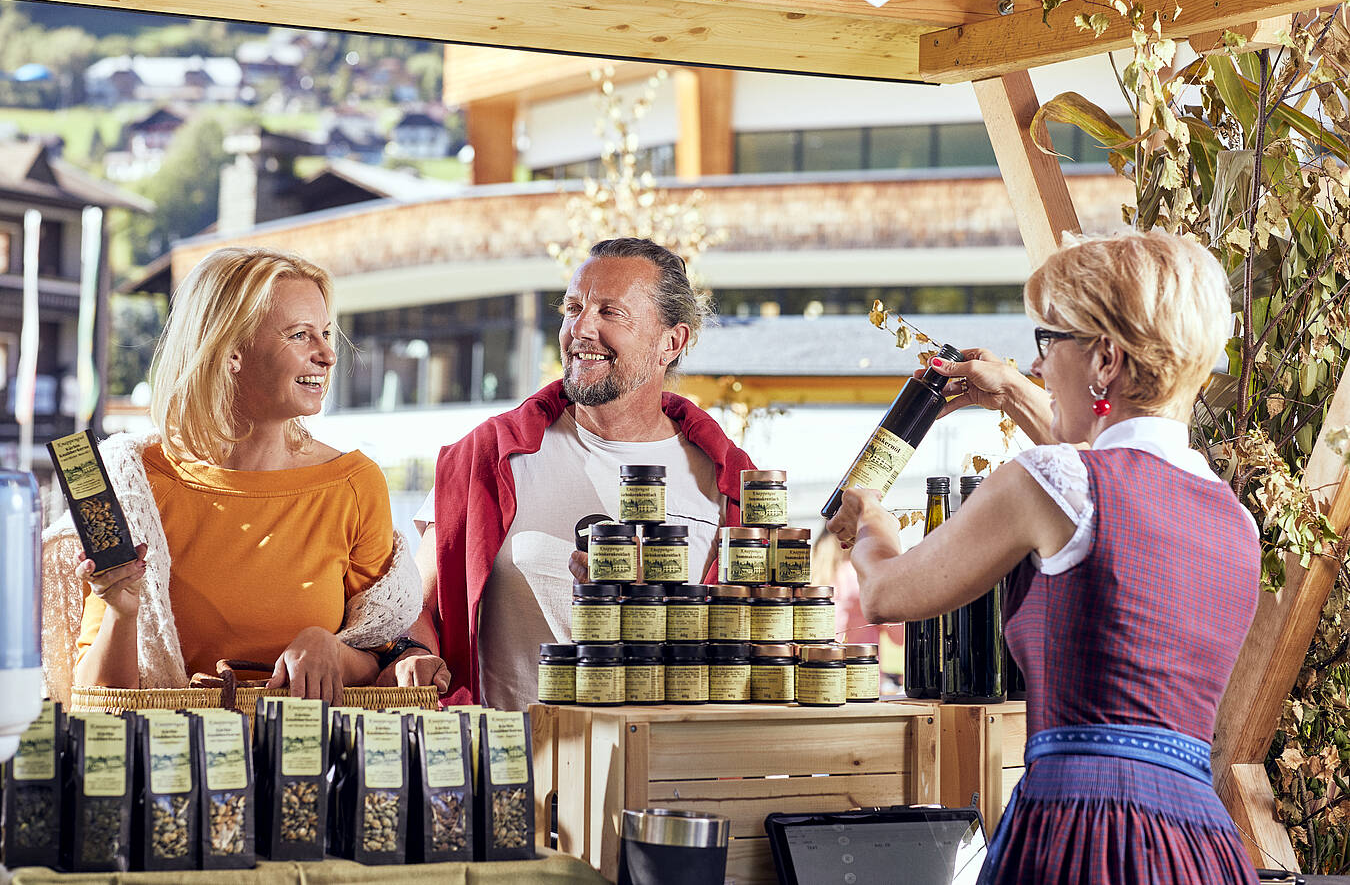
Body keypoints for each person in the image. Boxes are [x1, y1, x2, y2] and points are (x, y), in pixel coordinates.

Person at [827, 230, 1260, 884]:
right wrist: (1011, 395)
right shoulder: (1235, 519)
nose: (1036, 367)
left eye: (1047, 342)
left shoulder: (1051, 482)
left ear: (1106, 358)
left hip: (1084, 831)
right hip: (1197, 841)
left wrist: (870, 521)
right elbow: (1097, 484)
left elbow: (887, 592)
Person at [42, 247, 424, 706]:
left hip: (306, 767)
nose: (327, 354)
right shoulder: (132, 482)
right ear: (230, 352)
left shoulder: (355, 484)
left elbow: (384, 661)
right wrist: (124, 616)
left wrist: (333, 650)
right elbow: (95, 700)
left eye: (325, 333)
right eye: (301, 335)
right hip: (174, 769)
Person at [405, 237, 755, 709]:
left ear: (671, 342)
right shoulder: (489, 456)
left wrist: (650, 612)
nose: (581, 328)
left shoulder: (732, 483)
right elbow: (415, 606)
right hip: (519, 770)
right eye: (573, 307)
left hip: (668, 769)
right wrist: (416, 654)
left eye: (610, 312)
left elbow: (760, 645)